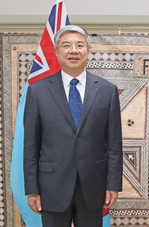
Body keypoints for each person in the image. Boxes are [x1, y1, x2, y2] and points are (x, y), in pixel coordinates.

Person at [24, 25, 123, 227]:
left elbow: (114, 144)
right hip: (52, 187)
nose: (74, 51)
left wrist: (113, 184)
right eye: (66, 45)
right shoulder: (38, 91)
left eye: (80, 45)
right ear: (57, 52)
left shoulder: (107, 90)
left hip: (93, 186)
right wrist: (32, 189)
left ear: (88, 50)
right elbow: (31, 146)